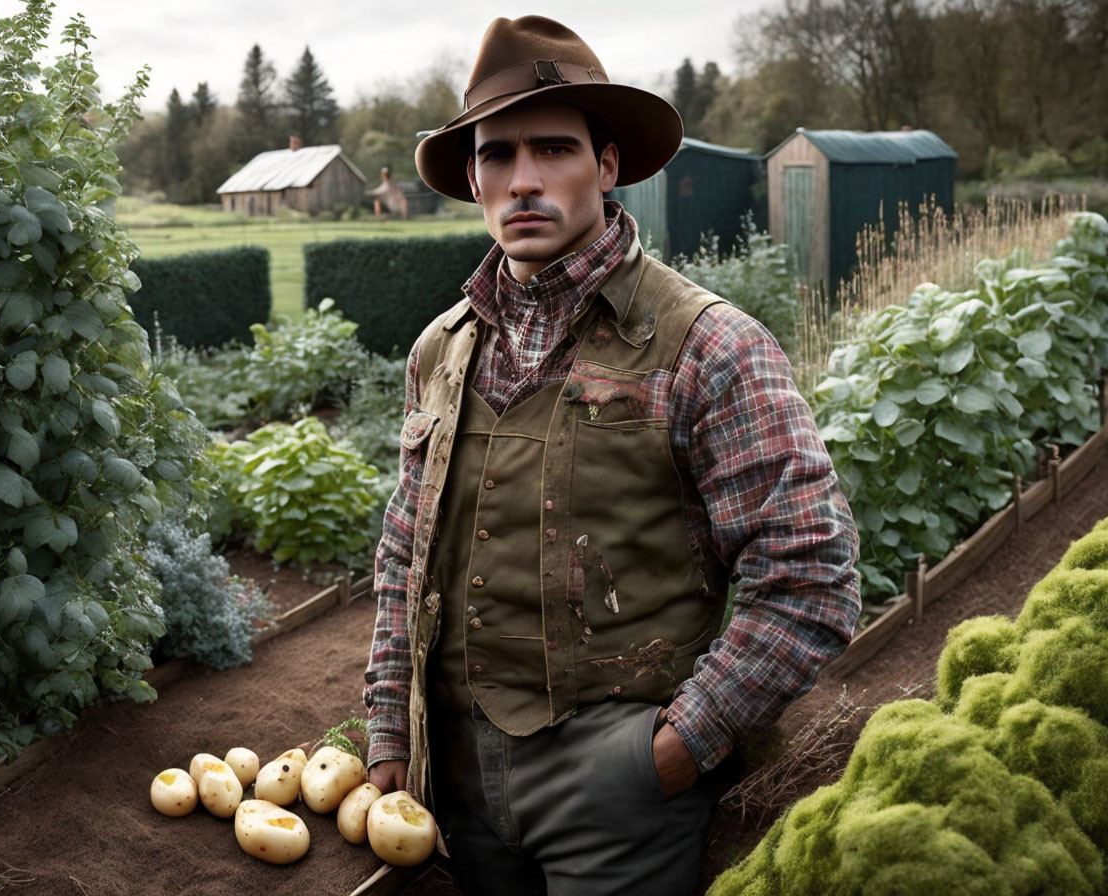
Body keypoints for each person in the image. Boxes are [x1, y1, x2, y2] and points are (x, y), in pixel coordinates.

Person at [363, 15, 860, 896]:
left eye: (553, 150)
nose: (522, 181)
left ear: (607, 165)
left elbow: (812, 571)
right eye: (495, 155)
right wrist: (389, 736)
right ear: (472, 177)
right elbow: (406, 556)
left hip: (620, 785)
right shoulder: (440, 351)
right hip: (457, 786)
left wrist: (669, 754)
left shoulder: (708, 347)